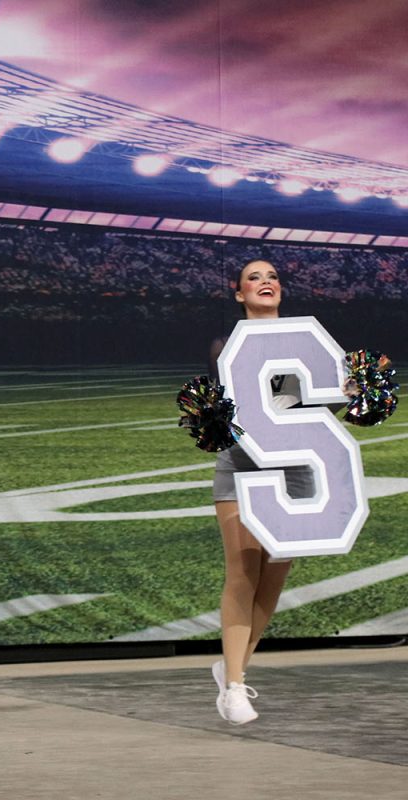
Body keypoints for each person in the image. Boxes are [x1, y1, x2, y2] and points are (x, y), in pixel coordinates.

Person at [209, 259, 312, 725]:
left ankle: (233, 666)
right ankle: (233, 687)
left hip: (296, 466)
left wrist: (352, 391)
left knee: (274, 578)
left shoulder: (308, 344)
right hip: (243, 465)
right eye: (254, 277)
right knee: (244, 571)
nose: (265, 281)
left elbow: (307, 402)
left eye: (272, 276)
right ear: (239, 294)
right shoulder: (225, 346)